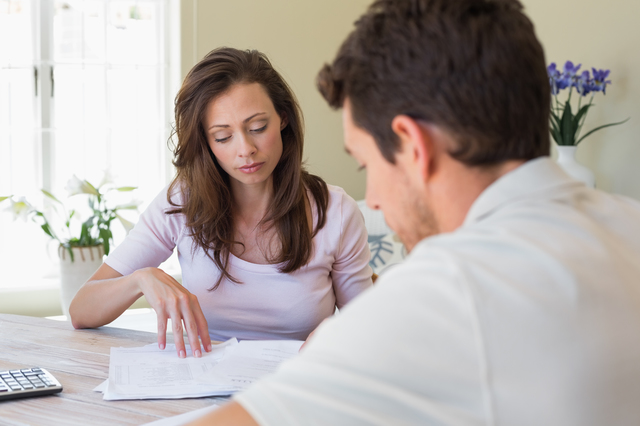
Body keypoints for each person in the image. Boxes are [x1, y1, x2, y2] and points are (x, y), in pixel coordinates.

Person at [188, 0, 640, 424]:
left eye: (367, 164)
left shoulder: (446, 292)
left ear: (413, 146)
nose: (376, 199)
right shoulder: (629, 224)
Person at [69, 47, 373, 359]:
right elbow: (81, 310)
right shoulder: (182, 202)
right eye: (223, 137)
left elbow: (372, 329)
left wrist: (340, 329)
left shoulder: (334, 211)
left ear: (283, 119)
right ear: (206, 142)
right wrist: (140, 280)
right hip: (202, 387)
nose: (246, 149)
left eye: (257, 127)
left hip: (295, 387)